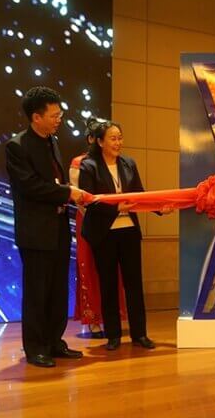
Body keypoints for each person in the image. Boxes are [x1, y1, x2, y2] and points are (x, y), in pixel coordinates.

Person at [5, 86, 88, 367]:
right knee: (37, 292)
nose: (59, 120)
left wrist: (68, 193)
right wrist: (67, 193)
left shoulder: (52, 141)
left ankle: (54, 342)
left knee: (57, 290)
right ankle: (36, 347)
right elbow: (30, 186)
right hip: (35, 232)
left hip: (58, 229)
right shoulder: (17, 146)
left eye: (59, 115)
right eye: (54, 115)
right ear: (36, 117)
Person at [79, 119, 169, 350]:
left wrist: (160, 208)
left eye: (120, 138)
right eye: (113, 138)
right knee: (108, 284)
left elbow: (140, 195)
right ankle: (113, 336)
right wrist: (116, 208)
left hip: (129, 231)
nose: (118, 142)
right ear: (100, 142)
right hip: (104, 233)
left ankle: (140, 334)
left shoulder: (129, 163)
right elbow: (88, 201)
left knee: (134, 284)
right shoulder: (89, 166)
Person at [69, 119, 127, 338]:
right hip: (91, 221)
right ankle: (93, 320)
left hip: (113, 219)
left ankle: (113, 318)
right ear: (93, 140)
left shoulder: (116, 162)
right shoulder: (80, 163)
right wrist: (101, 216)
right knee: (90, 267)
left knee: (113, 270)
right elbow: (80, 199)